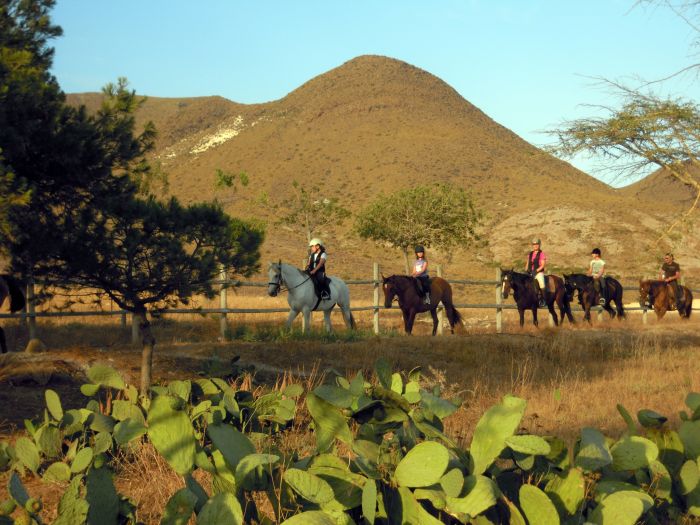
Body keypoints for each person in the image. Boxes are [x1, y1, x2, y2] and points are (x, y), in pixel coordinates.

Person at [525, 238, 547, 307]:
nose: (535, 246)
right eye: (534, 244)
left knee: (541, 283)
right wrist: (525, 270)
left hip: (538, 272)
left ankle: (543, 299)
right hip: (530, 272)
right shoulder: (530, 254)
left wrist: (536, 271)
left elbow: (543, 265)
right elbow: (527, 263)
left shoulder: (542, 254)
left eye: (537, 244)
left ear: (539, 245)